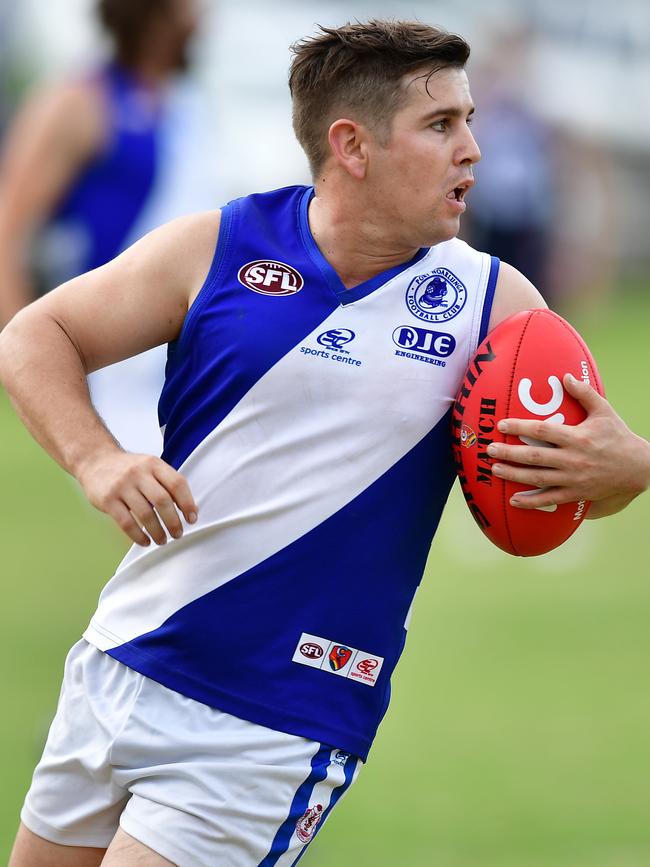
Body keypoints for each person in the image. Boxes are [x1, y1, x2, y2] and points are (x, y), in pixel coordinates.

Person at [1, 19, 648, 867]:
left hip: (270, 722)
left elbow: (587, 464)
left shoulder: (497, 303)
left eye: (470, 119)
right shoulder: (221, 247)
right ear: (353, 145)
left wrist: (630, 466)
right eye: (441, 125)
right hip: (120, 660)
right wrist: (97, 457)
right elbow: (36, 332)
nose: (474, 150)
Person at [0, 0, 201, 455]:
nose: (200, 21)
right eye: (187, 9)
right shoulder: (80, 102)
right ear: (152, 17)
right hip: (110, 349)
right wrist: (27, 359)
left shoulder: (187, 107)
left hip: (182, 341)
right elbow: (8, 233)